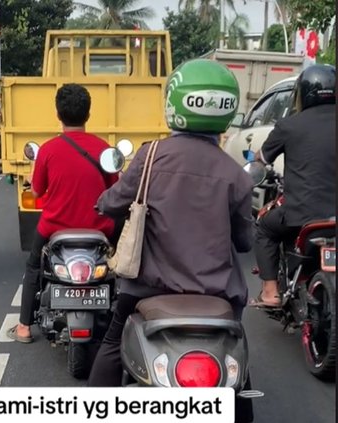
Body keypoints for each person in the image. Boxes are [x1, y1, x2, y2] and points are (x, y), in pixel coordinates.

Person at [87, 59, 254, 422]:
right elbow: (244, 241)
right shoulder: (234, 175)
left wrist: (106, 203)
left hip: (149, 290)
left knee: (113, 343)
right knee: (236, 361)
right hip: (218, 297)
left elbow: (112, 203)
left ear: (174, 104)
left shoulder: (150, 158)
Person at [7, 83, 119, 343]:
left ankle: (24, 326)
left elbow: (36, 192)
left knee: (34, 266)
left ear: (58, 114)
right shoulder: (104, 149)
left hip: (54, 229)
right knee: (119, 268)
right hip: (99, 229)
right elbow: (115, 191)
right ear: (88, 115)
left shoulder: (47, 150)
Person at [250, 64, 336, 307]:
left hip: (301, 215)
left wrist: (258, 162)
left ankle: (269, 292)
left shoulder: (290, 125)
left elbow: (262, 158)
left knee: (265, 228)